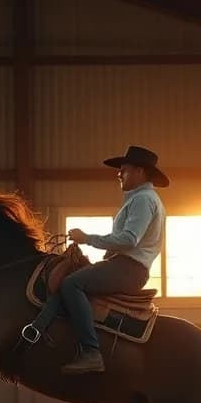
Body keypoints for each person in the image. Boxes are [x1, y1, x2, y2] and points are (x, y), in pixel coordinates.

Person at [23, 145, 168, 374]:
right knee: (70, 280)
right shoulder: (142, 199)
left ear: (140, 171)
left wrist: (87, 238)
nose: (119, 174)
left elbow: (129, 239)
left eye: (124, 170)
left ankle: (91, 351)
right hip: (123, 265)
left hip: (129, 268)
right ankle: (37, 329)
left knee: (72, 284)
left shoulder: (143, 200)